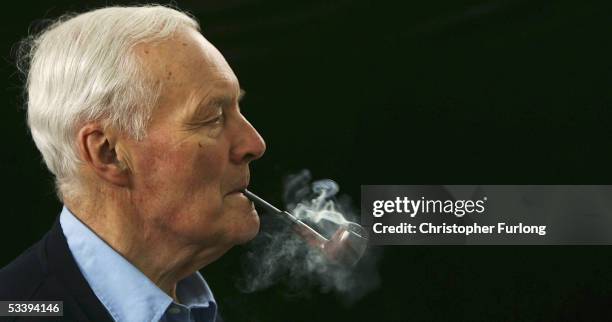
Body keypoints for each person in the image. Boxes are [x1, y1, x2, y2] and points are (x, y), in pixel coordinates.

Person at [0, 5, 266, 322]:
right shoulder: (17, 309)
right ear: (108, 153)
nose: (254, 144)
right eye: (212, 117)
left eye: (237, 109)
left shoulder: (196, 309)